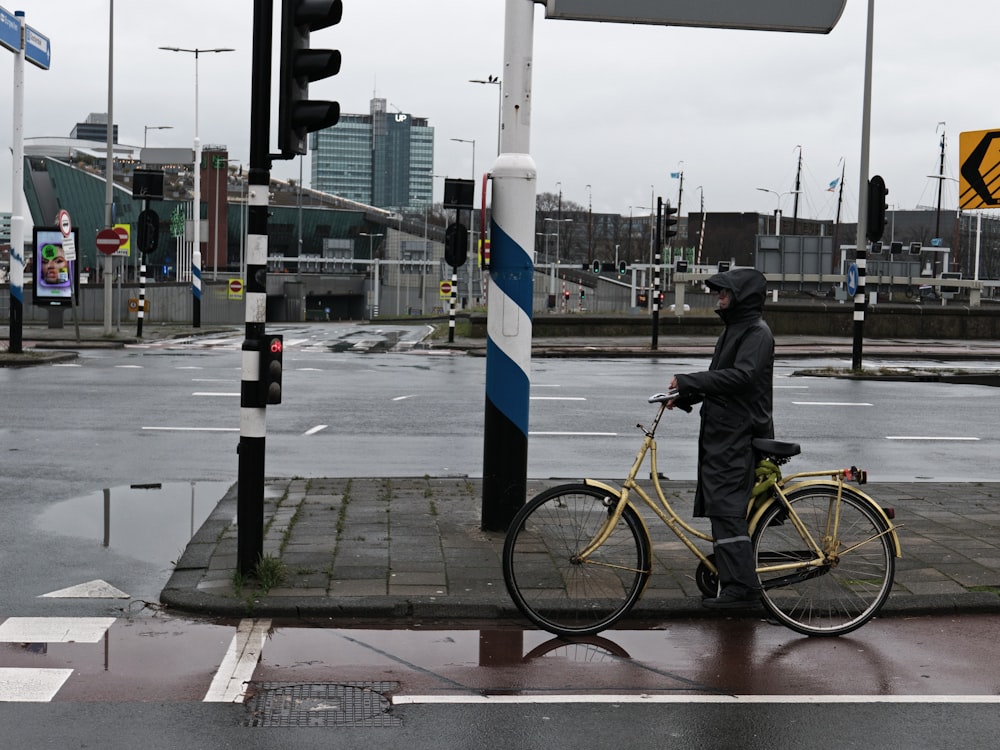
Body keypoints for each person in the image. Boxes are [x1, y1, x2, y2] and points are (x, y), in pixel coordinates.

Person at [668, 267, 774, 609]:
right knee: (722, 509)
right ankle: (732, 580)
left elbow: (741, 377)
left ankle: (741, 590)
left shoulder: (756, 333)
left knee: (728, 511)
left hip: (738, 435)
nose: (719, 297)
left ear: (741, 296)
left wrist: (690, 382)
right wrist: (685, 396)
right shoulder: (735, 330)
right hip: (722, 434)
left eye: (724, 292)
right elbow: (721, 381)